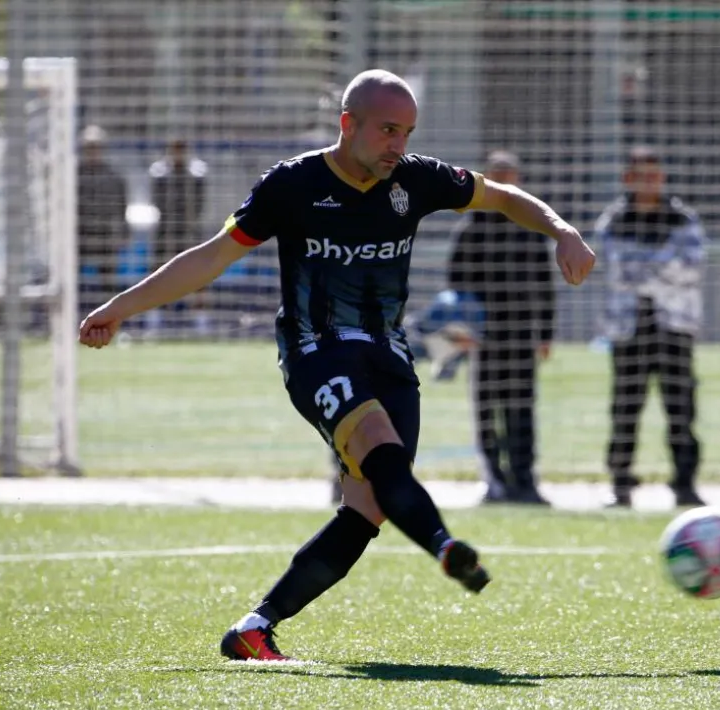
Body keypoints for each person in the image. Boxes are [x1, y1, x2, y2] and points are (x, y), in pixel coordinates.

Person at [79, 69, 596, 662]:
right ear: (348, 124)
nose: (397, 144)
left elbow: (501, 196)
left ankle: (254, 628)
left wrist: (563, 230)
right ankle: (445, 546)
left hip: (390, 357)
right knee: (379, 448)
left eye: (406, 132)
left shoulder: (417, 180)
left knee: (369, 507)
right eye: (386, 130)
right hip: (315, 351)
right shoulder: (291, 185)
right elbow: (210, 257)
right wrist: (120, 307)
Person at [596, 146, 706, 509]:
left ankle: (685, 484)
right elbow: (616, 270)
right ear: (628, 178)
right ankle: (621, 483)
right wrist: (662, 265)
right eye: (641, 175)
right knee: (625, 408)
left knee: (681, 409)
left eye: (655, 175)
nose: (649, 183)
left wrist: (644, 269)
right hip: (629, 329)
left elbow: (690, 268)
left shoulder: (683, 219)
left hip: (674, 327)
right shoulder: (614, 220)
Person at [447, 150, 556, 505]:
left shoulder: (531, 227)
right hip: (482, 338)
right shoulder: (471, 228)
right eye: (496, 176)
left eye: (509, 176)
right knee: (486, 409)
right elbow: (455, 287)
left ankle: (525, 481)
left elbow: (544, 285)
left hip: (521, 333)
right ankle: (493, 480)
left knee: (521, 407)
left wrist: (545, 334)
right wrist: (458, 332)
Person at [148, 138, 209, 333]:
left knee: (199, 274)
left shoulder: (197, 172)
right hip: (165, 231)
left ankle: (200, 320)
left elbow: (199, 204)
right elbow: (157, 200)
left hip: (189, 231)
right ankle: (155, 317)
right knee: (159, 273)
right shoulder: (160, 173)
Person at [76, 125, 129, 314]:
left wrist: (124, 233)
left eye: (96, 147)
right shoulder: (74, 176)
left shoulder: (113, 176)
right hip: (80, 234)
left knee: (108, 280)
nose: (93, 151)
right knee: (75, 280)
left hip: (105, 234)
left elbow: (122, 207)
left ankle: (108, 317)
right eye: (89, 147)